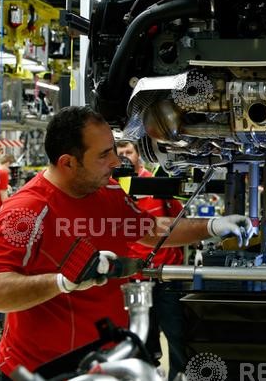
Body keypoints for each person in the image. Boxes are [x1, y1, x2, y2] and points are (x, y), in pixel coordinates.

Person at [0, 106, 253, 380]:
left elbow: (150, 228)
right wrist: (62, 282)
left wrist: (212, 226)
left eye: (115, 150)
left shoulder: (107, 191)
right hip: (44, 370)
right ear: (68, 162)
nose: (117, 162)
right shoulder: (26, 212)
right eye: (104, 154)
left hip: (108, 363)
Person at [116, 138, 187, 379]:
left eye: (129, 151)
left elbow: (180, 224)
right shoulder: (114, 190)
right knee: (141, 339)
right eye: (120, 152)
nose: (125, 155)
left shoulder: (157, 186)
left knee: (178, 335)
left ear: (139, 155)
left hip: (167, 276)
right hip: (133, 280)